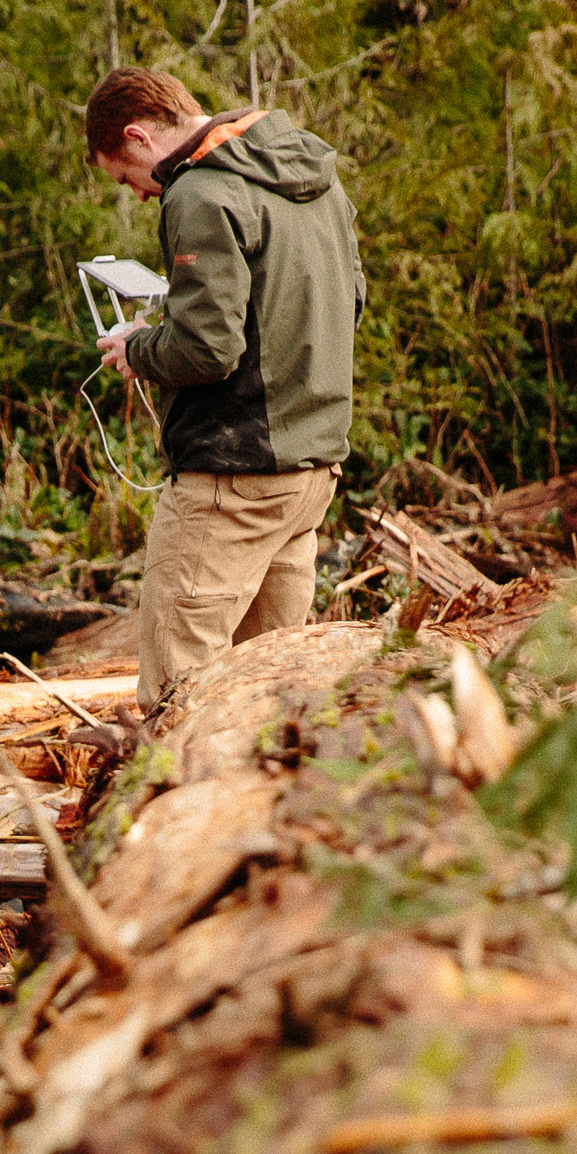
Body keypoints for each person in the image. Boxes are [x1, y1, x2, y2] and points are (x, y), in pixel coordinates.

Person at [84, 65, 363, 709]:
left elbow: (208, 349)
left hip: (230, 482)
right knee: (274, 698)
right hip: (310, 472)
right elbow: (349, 300)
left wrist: (140, 349)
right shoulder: (313, 175)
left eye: (126, 178)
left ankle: (173, 805)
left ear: (138, 137)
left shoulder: (200, 194)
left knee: (177, 695)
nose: (139, 195)